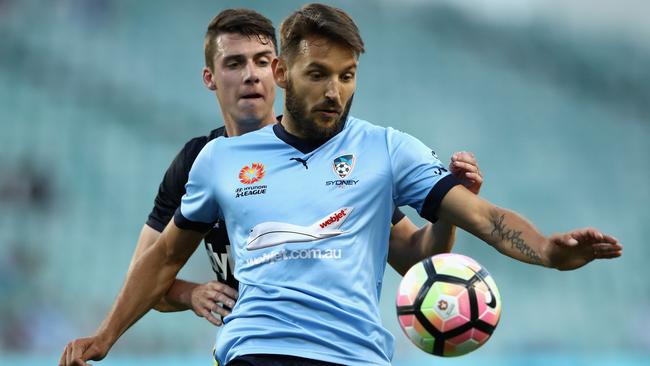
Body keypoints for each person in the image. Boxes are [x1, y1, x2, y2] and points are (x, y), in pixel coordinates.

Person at [59, 4, 622, 366]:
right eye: (319, 74)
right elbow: (159, 260)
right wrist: (106, 336)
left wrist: (547, 250)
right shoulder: (215, 160)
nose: (335, 91)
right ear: (287, 75)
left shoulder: (387, 150)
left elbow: (480, 221)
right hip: (258, 350)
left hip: (354, 355)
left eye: (347, 76)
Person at [129, 8, 483, 327]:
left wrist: (447, 211)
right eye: (235, 64)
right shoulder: (198, 161)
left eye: (262, 62)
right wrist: (189, 294)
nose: (252, 76)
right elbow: (145, 278)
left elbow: (413, 259)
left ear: (280, 72)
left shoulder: (334, 152)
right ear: (210, 78)